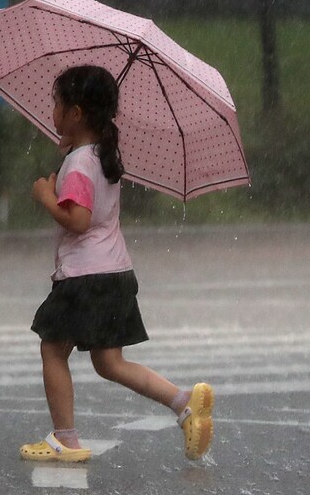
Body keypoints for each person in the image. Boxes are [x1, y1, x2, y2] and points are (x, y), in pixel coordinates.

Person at [24, 64, 214, 463]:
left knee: (52, 350)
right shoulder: (102, 155)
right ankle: (183, 403)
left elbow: (78, 220)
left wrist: (45, 194)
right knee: (110, 362)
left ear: (76, 114)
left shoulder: (80, 163)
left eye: (57, 104)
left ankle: (66, 439)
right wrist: (73, 154)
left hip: (84, 277)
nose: (52, 111)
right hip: (116, 274)